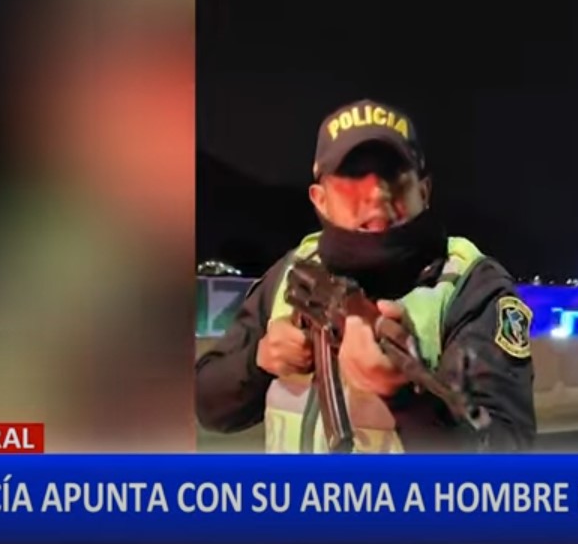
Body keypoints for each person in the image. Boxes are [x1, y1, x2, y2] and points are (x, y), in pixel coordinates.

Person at [196, 99, 536, 453]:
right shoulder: (292, 271)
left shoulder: (469, 286)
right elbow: (206, 405)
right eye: (353, 177)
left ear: (423, 192)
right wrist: (258, 361)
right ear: (320, 199)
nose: (377, 193)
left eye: (394, 175)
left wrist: (407, 395)